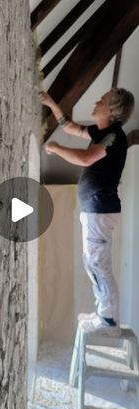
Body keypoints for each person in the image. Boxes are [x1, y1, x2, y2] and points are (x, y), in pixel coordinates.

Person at [39, 88, 135, 335]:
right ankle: (104, 313)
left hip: (100, 210)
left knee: (98, 263)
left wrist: (57, 149)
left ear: (112, 110)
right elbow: (70, 127)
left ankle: (109, 320)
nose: (96, 101)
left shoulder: (114, 136)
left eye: (102, 100)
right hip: (96, 210)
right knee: (93, 262)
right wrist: (51, 102)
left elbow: (85, 159)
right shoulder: (101, 132)